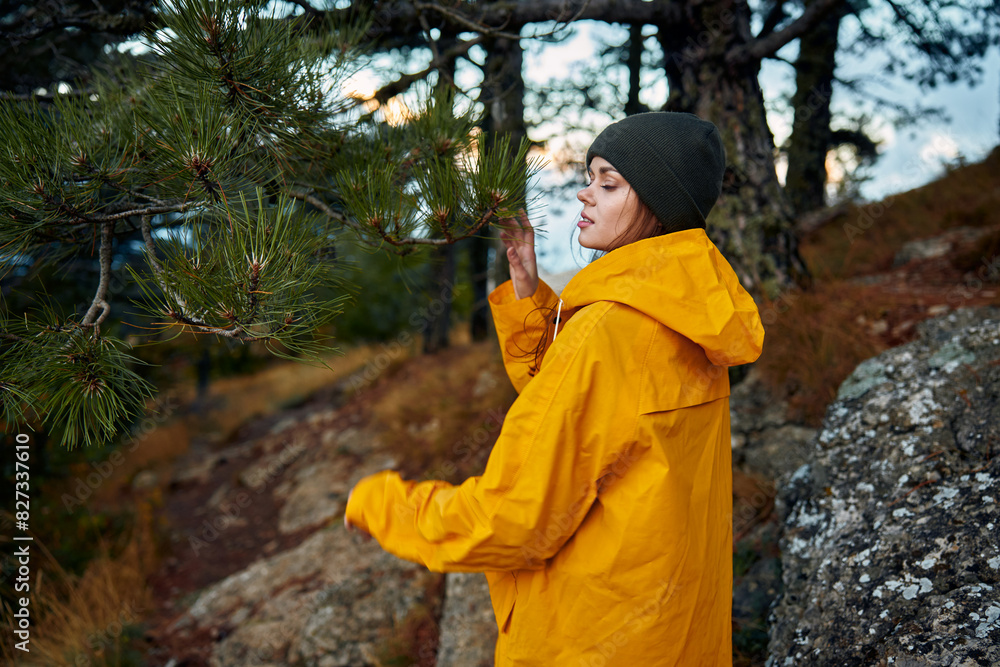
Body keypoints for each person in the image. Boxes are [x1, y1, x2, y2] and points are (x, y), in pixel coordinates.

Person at [345, 111, 764, 666]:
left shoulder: (609, 330)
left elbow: (513, 518)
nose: (584, 196)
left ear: (660, 201)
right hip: (672, 633)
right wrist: (527, 299)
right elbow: (592, 421)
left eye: (607, 182)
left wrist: (386, 505)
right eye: (589, 178)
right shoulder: (685, 310)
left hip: (590, 637)